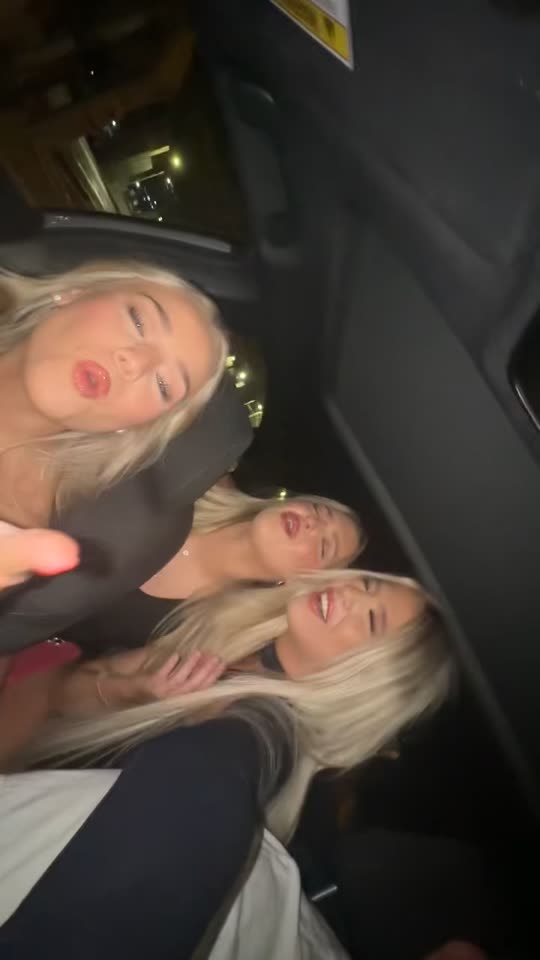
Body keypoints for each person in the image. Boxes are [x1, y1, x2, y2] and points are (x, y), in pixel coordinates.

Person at [12, 568, 452, 841]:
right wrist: (134, 692)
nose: (351, 593)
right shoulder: (243, 628)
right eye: (369, 584)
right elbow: (65, 695)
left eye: (371, 619)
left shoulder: (259, 737)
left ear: (364, 679)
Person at [0, 263, 252, 655]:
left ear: (135, 426)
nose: (136, 362)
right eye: (138, 320)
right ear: (74, 294)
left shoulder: (22, 523)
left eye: (164, 385)